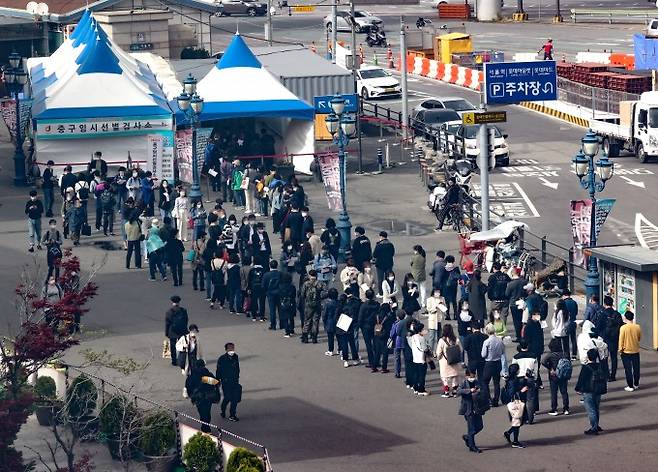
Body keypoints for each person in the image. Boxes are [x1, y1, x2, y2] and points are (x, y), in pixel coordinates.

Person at [575, 348, 607, 435]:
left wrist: (578, 388)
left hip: (588, 390)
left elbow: (581, 379)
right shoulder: (600, 366)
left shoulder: (586, 367)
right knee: (596, 408)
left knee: (591, 409)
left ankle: (594, 427)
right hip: (598, 389)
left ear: (588, 357)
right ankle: (596, 425)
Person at [458, 369, 488, 453]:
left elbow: (482, 390)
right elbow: (458, 391)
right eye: (471, 376)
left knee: (480, 426)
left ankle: (467, 437)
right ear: (466, 376)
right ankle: (472, 446)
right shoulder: (464, 383)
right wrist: (469, 391)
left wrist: (479, 391)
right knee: (471, 429)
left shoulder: (477, 382)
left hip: (477, 409)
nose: (473, 378)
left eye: (474, 376)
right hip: (468, 409)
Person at [185, 359, 219, 433]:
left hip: (198, 398)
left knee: (202, 412)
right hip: (208, 397)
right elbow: (216, 383)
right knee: (207, 412)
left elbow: (188, 386)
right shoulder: (208, 374)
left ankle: (205, 427)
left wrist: (191, 395)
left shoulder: (192, 376)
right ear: (204, 365)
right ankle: (206, 427)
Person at [502, 363, 529, 449]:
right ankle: (515, 441)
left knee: (518, 422)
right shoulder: (513, 381)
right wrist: (521, 391)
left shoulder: (510, 379)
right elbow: (512, 394)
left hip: (513, 404)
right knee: (517, 422)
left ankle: (509, 433)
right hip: (515, 404)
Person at [541, 338, 571, 416]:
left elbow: (543, 362)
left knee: (554, 392)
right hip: (563, 375)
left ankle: (554, 409)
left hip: (553, 376)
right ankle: (566, 408)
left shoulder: (550, 355)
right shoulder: (565, 354)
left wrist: (550, 368)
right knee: (564, 392)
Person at [511, 341, 539, 423]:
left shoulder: (516, 357)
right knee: (530, 399)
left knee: (520, 398)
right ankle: (530, 418)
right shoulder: (533, 356)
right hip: (530, 378)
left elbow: (513, 369)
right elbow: (536, 369)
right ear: (528, 345)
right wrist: (535, 378)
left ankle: (521, 417)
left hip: (519, 378)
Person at [216, 342, 241, 422]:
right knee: (227, 398)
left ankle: (232, 415)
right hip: (226, 382)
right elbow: (219, 370)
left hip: (234, 381)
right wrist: (218, 380)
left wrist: (237, 376)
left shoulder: (235, 357)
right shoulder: (222, 359)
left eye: (233, 348)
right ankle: (223, 410)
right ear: (226, 350)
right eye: (230, 349)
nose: (232, 350)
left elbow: (237, 368)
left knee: (234, 399)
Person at [481, 323, 505, 406]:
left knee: (485, 381)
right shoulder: (499, 340)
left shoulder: (486, 342)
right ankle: (496, 400)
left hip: (489, 363)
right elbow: (502, 351)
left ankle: (489, 399)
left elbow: (483, 354)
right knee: (496, 382)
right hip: (498, 362)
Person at [436, 324, 462, 398]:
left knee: (445, 379)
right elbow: (459, 349)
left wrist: (438, 357)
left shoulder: (441, 340)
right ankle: (454, 391)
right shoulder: (456, 339)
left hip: (445, 362)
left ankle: (447, 392)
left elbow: (438, 352)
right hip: (454, 361)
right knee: (454, 377)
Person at [602, 295, 624, 381]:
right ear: (612, 304)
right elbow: (621, 326)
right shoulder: (617, 314)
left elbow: (599, 326)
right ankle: (613, 375)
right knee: (614, 358)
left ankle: (606, 375)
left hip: (605, 339)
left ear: (605, 304)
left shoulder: (602, 313)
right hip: (615, 339)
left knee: (604, 358)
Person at [619, 311, 641, 391]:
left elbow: (621, 340)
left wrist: (620, 349)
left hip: (626, 351)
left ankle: (630, 386)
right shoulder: (637, 327)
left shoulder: (623, 328)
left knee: (628, 369)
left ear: (625, 317)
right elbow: (639, 338)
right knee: (636, 368)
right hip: (635, 350)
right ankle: (636, 384)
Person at [358, 289, 380, 371]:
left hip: (366, 327)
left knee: (368, 345)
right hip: (375, 326)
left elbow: (360, 317)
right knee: (376, 344)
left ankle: (371, 362)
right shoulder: (377, 305)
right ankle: (377, 361)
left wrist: (361, 326)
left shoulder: (364, 305)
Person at [165, 295, 189, 367]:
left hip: (172, 331)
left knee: (173, 346)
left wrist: (167, 332)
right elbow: (186, 320)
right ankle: (181, 360)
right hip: (182, 331)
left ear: (172, 302)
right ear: (179, 302)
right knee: (182, 345)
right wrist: (185, 330)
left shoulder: (169, 311)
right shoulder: (183, 310)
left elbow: (167, 323)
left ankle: (174, 361)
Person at [523, 311, 545, 388]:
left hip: (538, 348)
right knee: (532, 366)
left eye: (538, 314)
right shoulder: (528, 325)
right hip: (531, 349)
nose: (538, 316)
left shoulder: (539, 324)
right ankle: (535, 382)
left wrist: (542, 346)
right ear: (532, 315)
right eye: (536, 314)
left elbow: (541, 336)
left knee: (537, 366)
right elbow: (526, 338)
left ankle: (536, 382)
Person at [506, 268, 527, 341]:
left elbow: (507, 294)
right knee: (523, 319)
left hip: (513, 304)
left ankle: (518, 336)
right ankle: (524, 334)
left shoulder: (511, 284)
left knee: (516, 321)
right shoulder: (524, 282)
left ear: (512, 273)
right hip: (523, 302)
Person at [408, 320, 429, 395]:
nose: (425, 330)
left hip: (415, 358)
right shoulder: (422, 338)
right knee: (422, 375)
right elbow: (425, 349)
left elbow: (411, 345)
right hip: (422, 359)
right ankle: (421, 390)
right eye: (423, 329)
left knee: (416, 374)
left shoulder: (412, 337)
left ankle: (415, 388)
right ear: (420, 331)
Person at [373, 301, 395, 373]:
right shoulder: (389, 316)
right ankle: (384, 368)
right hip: (385, 335)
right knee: (385, 352)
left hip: (377, 333)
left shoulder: (377, 315)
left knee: (377, 352)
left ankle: (374, 366)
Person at [263, 260, 282, 330]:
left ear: (270, 266)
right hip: (279, 293)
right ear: (277, 266)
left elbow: (263, 285)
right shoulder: (280, 274)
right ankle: (282, 323)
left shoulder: (266, 275)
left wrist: (266, 292)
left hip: (270, 294)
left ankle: (273, 325)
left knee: (272, 310)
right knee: (280, 309)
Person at [425, 287, 445, 354]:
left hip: (439, 320)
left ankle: (439, 351)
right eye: (436, 292)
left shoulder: (442, 298)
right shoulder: (429, 299)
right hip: (432, 320)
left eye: (438, 292)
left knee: (440, 336)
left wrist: (442, 306)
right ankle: (431, 351)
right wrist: (435, 307)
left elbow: (444, 307)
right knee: (432, 337)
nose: (437, 293)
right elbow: (429, 309)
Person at [562, 289, 579, 359]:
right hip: (573, 322)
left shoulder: (563, 303)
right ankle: (574, 355)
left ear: (564, 295)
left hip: (565, 323)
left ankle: (567, 355)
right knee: (573, 339)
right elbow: (576, 312)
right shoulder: (574, 302)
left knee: (566, 340)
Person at [279, 272, 297, 337]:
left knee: (285, 318)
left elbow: (279, 295)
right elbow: (294, 295)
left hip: (283, 303)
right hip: (291, 302)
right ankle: (292, 329)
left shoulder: (280, 286)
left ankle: (287, 332)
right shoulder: (292, 286)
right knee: (291, 317)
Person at [322, 288, 339, 356]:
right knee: (339, 337)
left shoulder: (327, 303)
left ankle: (330, 350)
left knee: (330, 337)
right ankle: (340, 349)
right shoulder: (338, 302)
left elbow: (324, 314)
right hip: (337, 321)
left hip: (329, 321)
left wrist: (324, 321)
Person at [443, 255, 460, 320]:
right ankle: (455, 315)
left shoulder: (444, 268)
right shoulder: (456, 268)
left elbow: (443, 278)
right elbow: (459, 276)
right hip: (454, 286)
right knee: (454, 300)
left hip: (446, 286)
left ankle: (448, 315)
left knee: (447, 301)